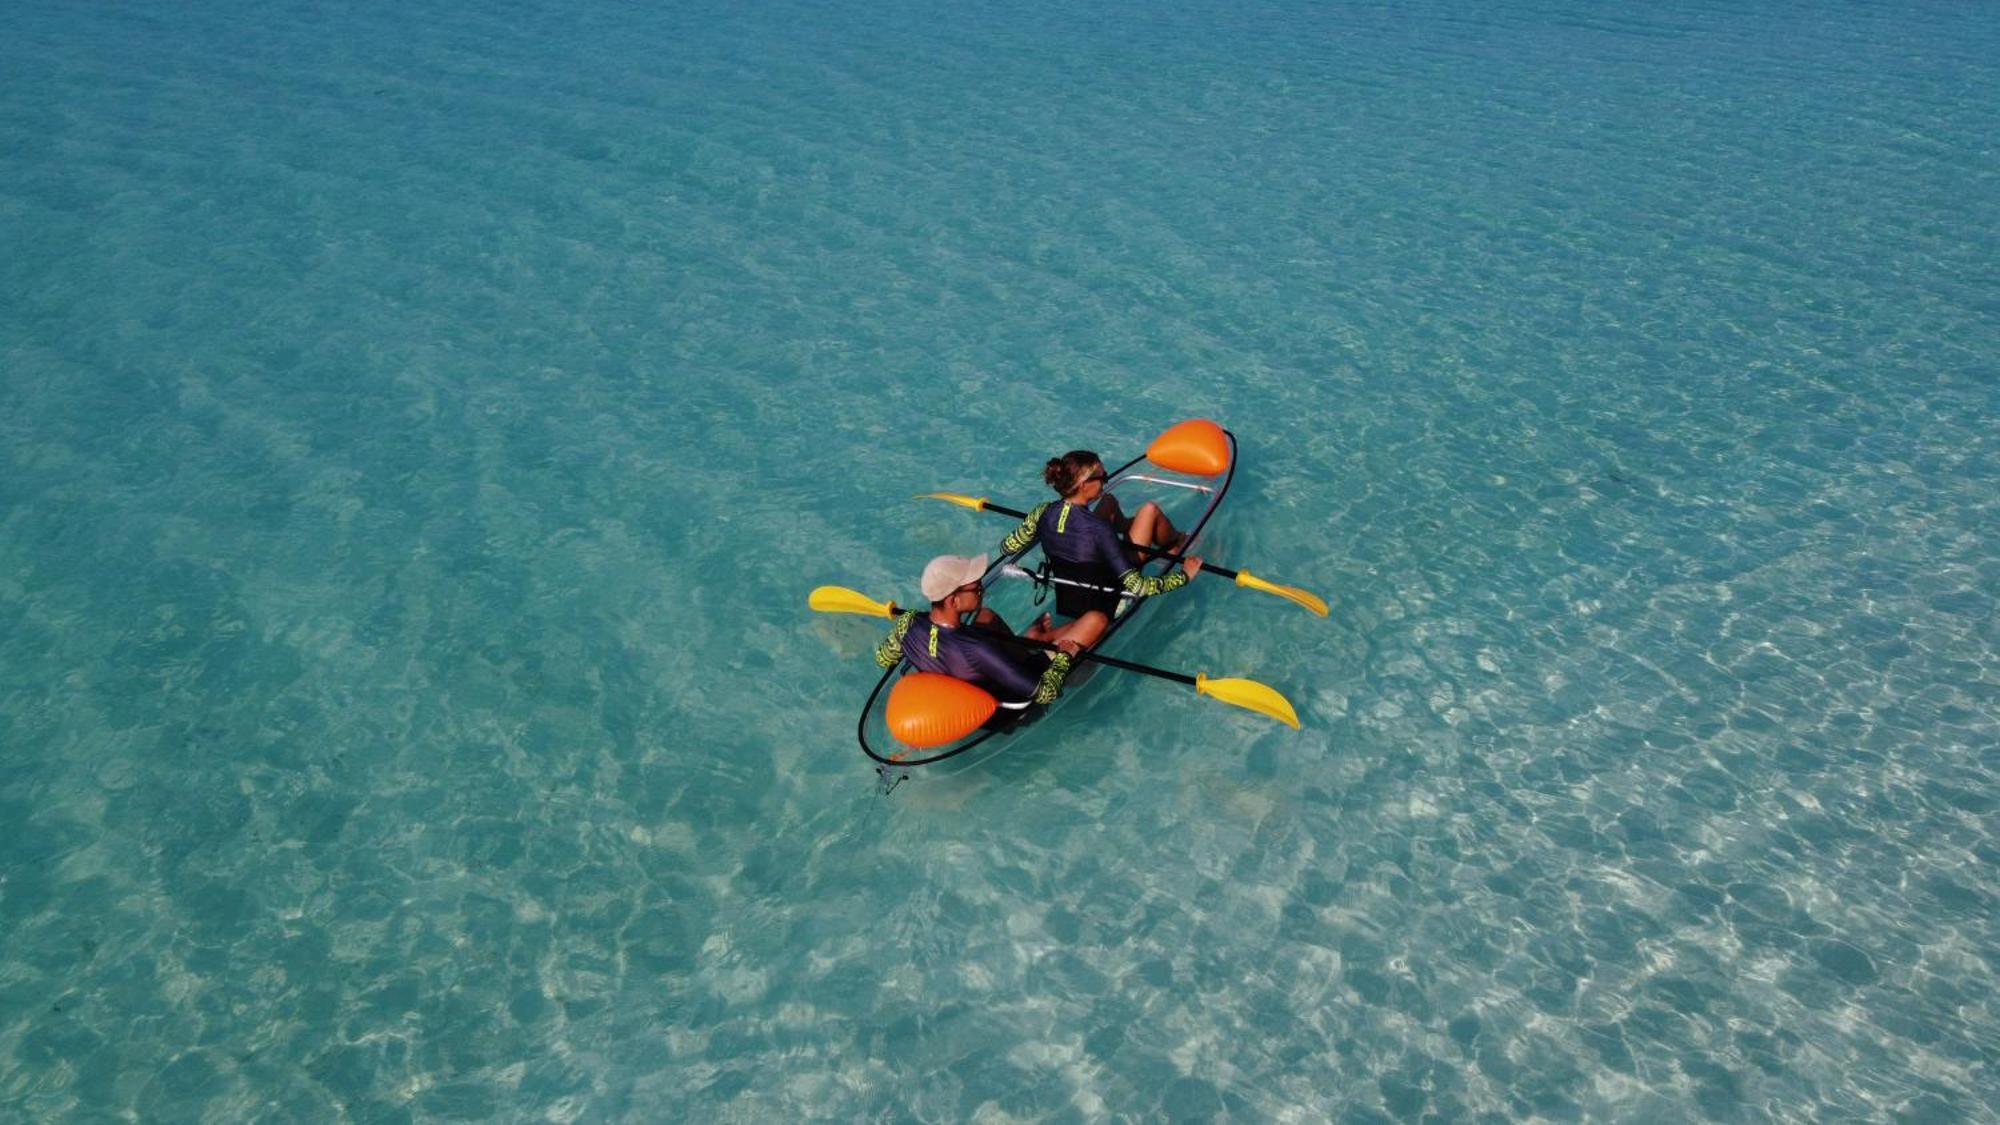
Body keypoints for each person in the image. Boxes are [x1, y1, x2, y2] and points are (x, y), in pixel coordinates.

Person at [873, 554, 1107, 706]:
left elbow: (884, 658)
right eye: (975, 587)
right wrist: (1064, 657)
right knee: (1096, 619)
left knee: (986, 616)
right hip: (1015, 690)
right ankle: (1038, 643)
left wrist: (926, 654)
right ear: (953, 601)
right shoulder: (977, 649)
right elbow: (1045, 694)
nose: (982, 589)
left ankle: (1034, 640)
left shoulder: (908, 623)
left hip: (976, 668)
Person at [999, 450, 1203, 619]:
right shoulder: (1098, 529)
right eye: (1102, 477)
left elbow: (1007, 548)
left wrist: (1048, 531)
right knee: (1150, 510)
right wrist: (1184, 576)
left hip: (1069, 599)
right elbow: (1137, 586)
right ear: (1084, 485)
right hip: (1104, 601)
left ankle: (1144, 530)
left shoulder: (1042, 511)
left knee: (1109, 501)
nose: (1105, 481)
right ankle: (1176, 541)